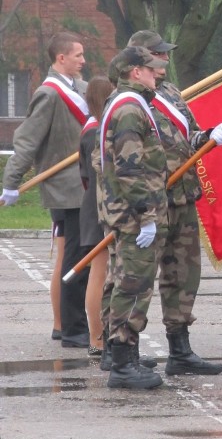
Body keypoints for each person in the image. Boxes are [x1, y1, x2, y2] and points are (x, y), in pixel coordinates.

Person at [127, 30, 222, 375]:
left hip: (183, 196)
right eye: (159, 54)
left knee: (183, 274)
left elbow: (192, 135)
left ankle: (180, 349)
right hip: (152, 200)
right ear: (142, 58)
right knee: (138, 277)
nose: (166, 60)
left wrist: (209, 137)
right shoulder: (131, 99)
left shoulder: (169, 92)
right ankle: (124, 351)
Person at [1, 31, 91, 348]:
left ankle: (64, 324)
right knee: (76, 259)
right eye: (78, 55)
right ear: (61, 58)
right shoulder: (49, 93)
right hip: (67, 188)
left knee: (72, 256)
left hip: (83, 183)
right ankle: (73, 328)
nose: (84, 60)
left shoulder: (82, 89)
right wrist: (11, 182)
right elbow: (27, 139)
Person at [98, 45, 169, 389]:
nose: (159, 72)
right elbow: (129, 169)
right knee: (133, 285)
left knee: (132, 283)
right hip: (132, 214)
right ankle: (123, 364)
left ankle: (127, 356)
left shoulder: (132, 103)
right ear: (134, 72)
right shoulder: (129, 108)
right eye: (151, 68)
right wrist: (146, 215)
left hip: (128, 211)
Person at [79, 75, 114, 357]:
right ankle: (97, 338)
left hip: (95, 206)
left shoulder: (93, 128)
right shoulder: (96, 131)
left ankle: (103, 336)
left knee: (103, 273)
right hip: (98, 209)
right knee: (99, 273)